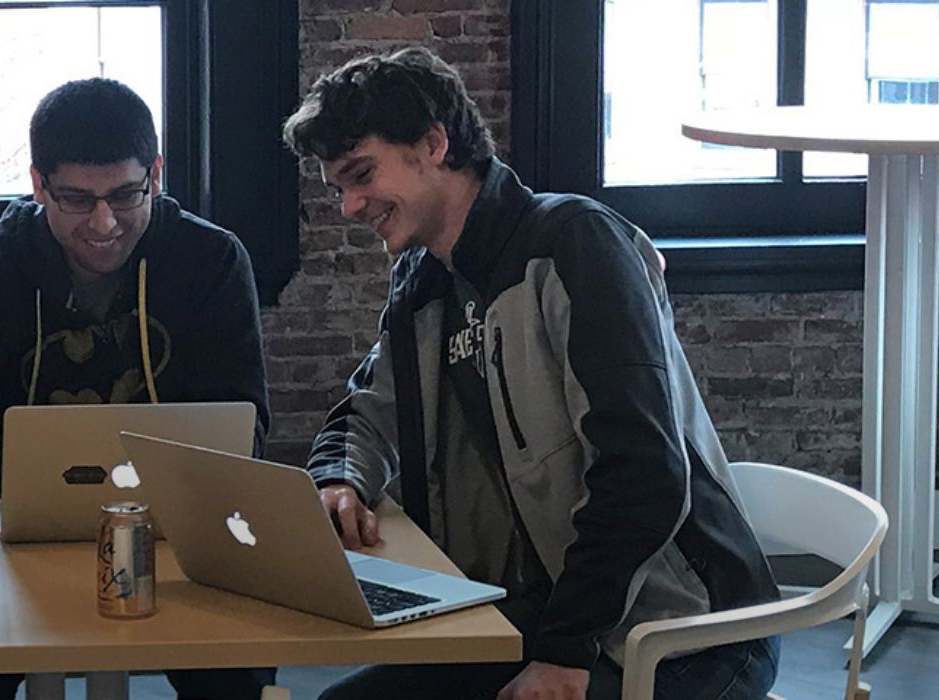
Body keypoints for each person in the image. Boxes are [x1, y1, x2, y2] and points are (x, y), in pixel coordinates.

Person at [284, 47, 781, 700]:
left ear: (433, 144)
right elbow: (370, 408)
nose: (348, 206)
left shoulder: (575, 244)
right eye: (337, 187)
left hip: (688, 631)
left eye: (361, 175)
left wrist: (564, 653)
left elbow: (644, 469)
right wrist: (337, 479)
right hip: (550, 609)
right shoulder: (423, 280)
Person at [0, 78, 274, 700]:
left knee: (238, 668)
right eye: (77, 199)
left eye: (126, 194)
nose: (105, 223)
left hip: (182, 537)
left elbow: (246, 428)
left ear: (156, 173)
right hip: (10, 543)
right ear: (37, 184)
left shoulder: (211, 262)